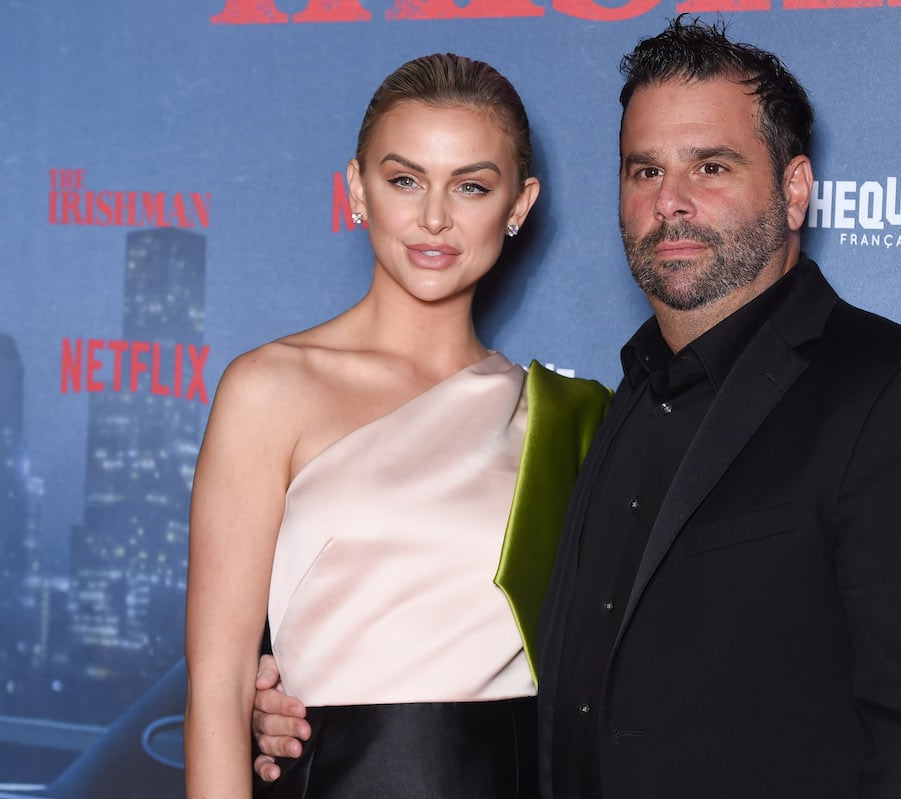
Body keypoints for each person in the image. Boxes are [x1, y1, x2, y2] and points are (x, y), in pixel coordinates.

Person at [252, 18, 901, 798]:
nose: (672, 202)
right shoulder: (616, 404)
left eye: (711, 166)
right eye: (644, 170)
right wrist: (311, 705)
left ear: (795, 190)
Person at [184, 53, 610, 799]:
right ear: (357, 188)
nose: (435, 218)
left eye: (471, 186)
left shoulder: (570, 420)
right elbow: (218, 687)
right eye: (404, 179)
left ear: (519, 203)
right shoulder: (270, 388)